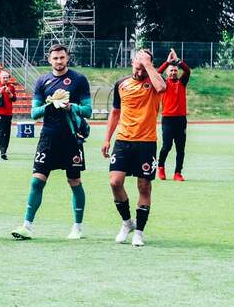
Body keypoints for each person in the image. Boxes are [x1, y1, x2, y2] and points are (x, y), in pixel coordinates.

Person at [12, 43, 92, 240]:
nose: (59, 61)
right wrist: (51, 104)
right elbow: (34, 113)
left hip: (71, 139)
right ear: (49, 60)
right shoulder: (42, 81)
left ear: (68, 58)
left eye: (62, 57)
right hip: (48, 138)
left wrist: (70, 107)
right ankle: (27, 226)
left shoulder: (79, 79)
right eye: (55, 58)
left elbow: (88, 110)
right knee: (37, 181)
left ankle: (77, 227)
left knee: (74, 181)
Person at [102, 50, 166, 247]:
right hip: (123, 140)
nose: (140, 72)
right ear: (132, 64)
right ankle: (127, 223)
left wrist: (148, 65)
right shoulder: (121, 84)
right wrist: (107, 139)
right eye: (137, 68)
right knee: (115, 182)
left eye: (143, 69)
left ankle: (139, 232)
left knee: (144, 186)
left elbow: (162, 87)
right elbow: (115, 112)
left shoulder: (155, 81)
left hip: (146, 142)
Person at [157, 49, 191, 180]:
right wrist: (167, 62)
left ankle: (178, 173)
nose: (173, 72)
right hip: (167, 120)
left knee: (180, 148)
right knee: (167, 146)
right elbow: (157, 73)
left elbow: (187, 71)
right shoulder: (164, 83)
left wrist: (178, 61)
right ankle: (161, 167)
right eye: (171, 70)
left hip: (181, 120)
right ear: (167, 72)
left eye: (175, 70)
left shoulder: (182, 82)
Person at [0, 72, 14, 159]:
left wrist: (9, 93)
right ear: (0, 78)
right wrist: (0, 92)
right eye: (4, 77)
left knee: (7, 132)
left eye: (7, 77)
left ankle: (5, 150)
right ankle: (2, 151)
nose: (6, 79)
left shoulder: (11, 86)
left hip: (9, 112)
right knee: (1, 132)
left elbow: (14, 99)